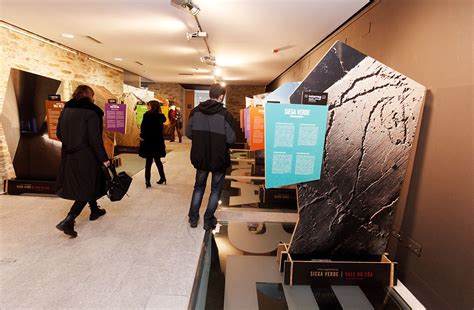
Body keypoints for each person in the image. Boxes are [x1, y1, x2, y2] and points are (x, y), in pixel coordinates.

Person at [55, 85, 110, 238]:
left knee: (87, 184)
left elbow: (59, 133)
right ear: (89, 95)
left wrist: (71, 144)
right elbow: (95, 139)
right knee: (88, 185)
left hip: (69, 155)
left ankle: (94, 210)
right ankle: (69, 219)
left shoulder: (66, 110)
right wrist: (104, 158)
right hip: (87, 156)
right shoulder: (92, 112)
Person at [186, 84, 236, 230]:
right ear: (221, 96)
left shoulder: (195, 111)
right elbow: (231, 139)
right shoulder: (225, 115)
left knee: (198, 187)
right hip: (219, 158)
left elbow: (189, 133)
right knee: (215, 190)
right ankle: (208, 220)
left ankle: (193, 219)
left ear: (210, 94)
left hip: (200, 156)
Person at [139, 100, 167, 187]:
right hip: (157, 142)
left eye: (149, 105)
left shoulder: (147, 115)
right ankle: (163, 178)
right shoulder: (161, 117)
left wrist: (142, 137)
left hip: (148, 141)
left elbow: (143, 128)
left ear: (152, 106)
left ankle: (147, 181)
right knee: (158, 161)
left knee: (148, 162)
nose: (147, 107)